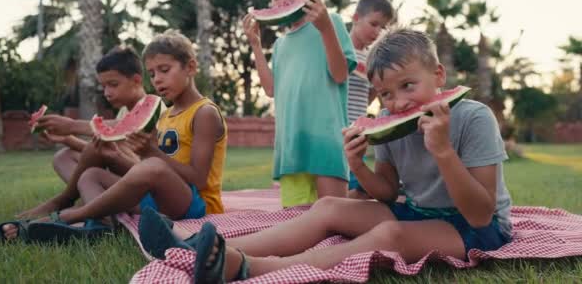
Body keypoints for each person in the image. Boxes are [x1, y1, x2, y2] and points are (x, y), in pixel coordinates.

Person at [139, 28, 512, 283]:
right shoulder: (387, 122)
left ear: (439, 74)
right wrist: (356, 166)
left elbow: (480, 213)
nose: (398, 103)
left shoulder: (472, 117)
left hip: (475, 228)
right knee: (329, 206)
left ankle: (250, 267)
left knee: (390, 233)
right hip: (419, 211)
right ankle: (188, 248)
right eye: (386, 94)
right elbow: (385, 191)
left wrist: (443, 152)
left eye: (408, 86)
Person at [0, 31, 227, 243]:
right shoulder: (166, 115)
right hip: (160, 196)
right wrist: (116, 155)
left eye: (164, 70)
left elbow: (197, 179)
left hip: (195, 205)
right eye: (152, 73)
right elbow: (131, 146)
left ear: (191, 67)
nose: (156, 80)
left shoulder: (204, 113)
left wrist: (150, 153)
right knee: (90, 175)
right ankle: (101, 226)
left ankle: (68, 215)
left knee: (153, 166)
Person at [243, 0, 357, 207]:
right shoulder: (280, 45)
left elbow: (339, 75)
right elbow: (271, 89)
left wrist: (325, 28)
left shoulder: (332, 22)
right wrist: (255, 45)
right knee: (295, 221)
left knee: (335, 217)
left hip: (325, 136)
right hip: (290, 144)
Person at [16, 46, 149, 219]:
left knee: (96, 149)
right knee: (63, 157)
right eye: (104, 86)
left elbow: (123, 135)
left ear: (136, 80)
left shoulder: (153, 111)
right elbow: (102, 152)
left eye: (113, 85)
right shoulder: (124, 112)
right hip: (120, 179)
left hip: (144, 187)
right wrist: (67, 139)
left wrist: (72, 125)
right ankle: (92, 202)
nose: (107, 93)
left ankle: (65, 200)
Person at [346, 0, 394, 199]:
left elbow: (372, 95)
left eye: (383, 27)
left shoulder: (371, 59)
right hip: (333, 130)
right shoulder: (338, 48)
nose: (378, 31)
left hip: (356, 131)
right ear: (356, 18)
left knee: (364, 187)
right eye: (373, 24)